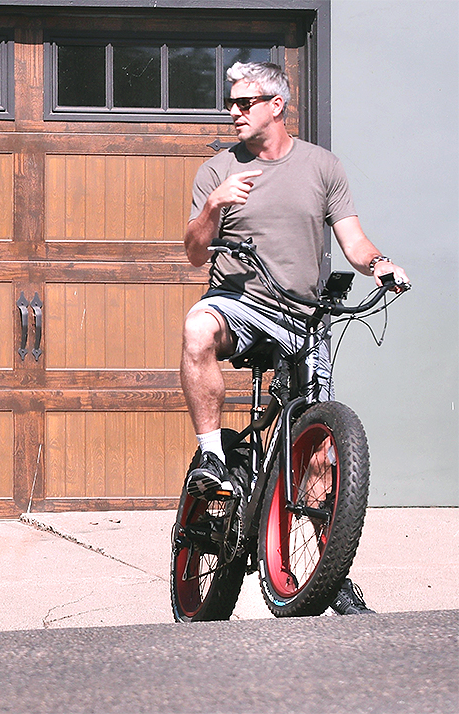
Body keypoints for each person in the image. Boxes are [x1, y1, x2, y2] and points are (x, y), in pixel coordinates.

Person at [180, 62, 408, 613]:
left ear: (276, 104)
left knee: (322, 455)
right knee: (196, 327)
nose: (232, 111)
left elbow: (351, 239)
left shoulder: (322, 167)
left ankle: (328, 575)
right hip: (239, 304)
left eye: (244, 102)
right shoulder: (216, 171)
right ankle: (212, 456)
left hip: (303, 317)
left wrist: (378, 264)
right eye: (230, 102)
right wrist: (213, 207)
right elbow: (193, 255)